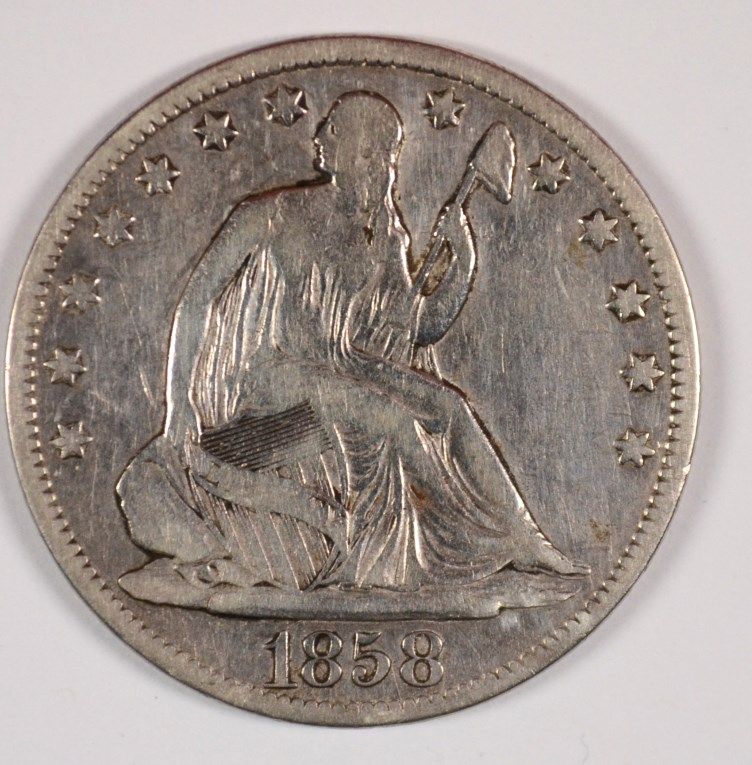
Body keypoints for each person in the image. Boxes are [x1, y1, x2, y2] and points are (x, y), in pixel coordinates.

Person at [117, 91, 586, 601]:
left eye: (333, 129)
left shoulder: (385, 233)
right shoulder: (273, 214)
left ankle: (524, 540)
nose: (319, 138)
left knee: (450, 406)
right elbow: (196, 299)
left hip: (344, 363)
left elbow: (418, 330)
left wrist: (461, 263)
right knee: (396, 420)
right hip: (277, 372)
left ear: (364, 150)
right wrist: (179, 402)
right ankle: (443, 558)